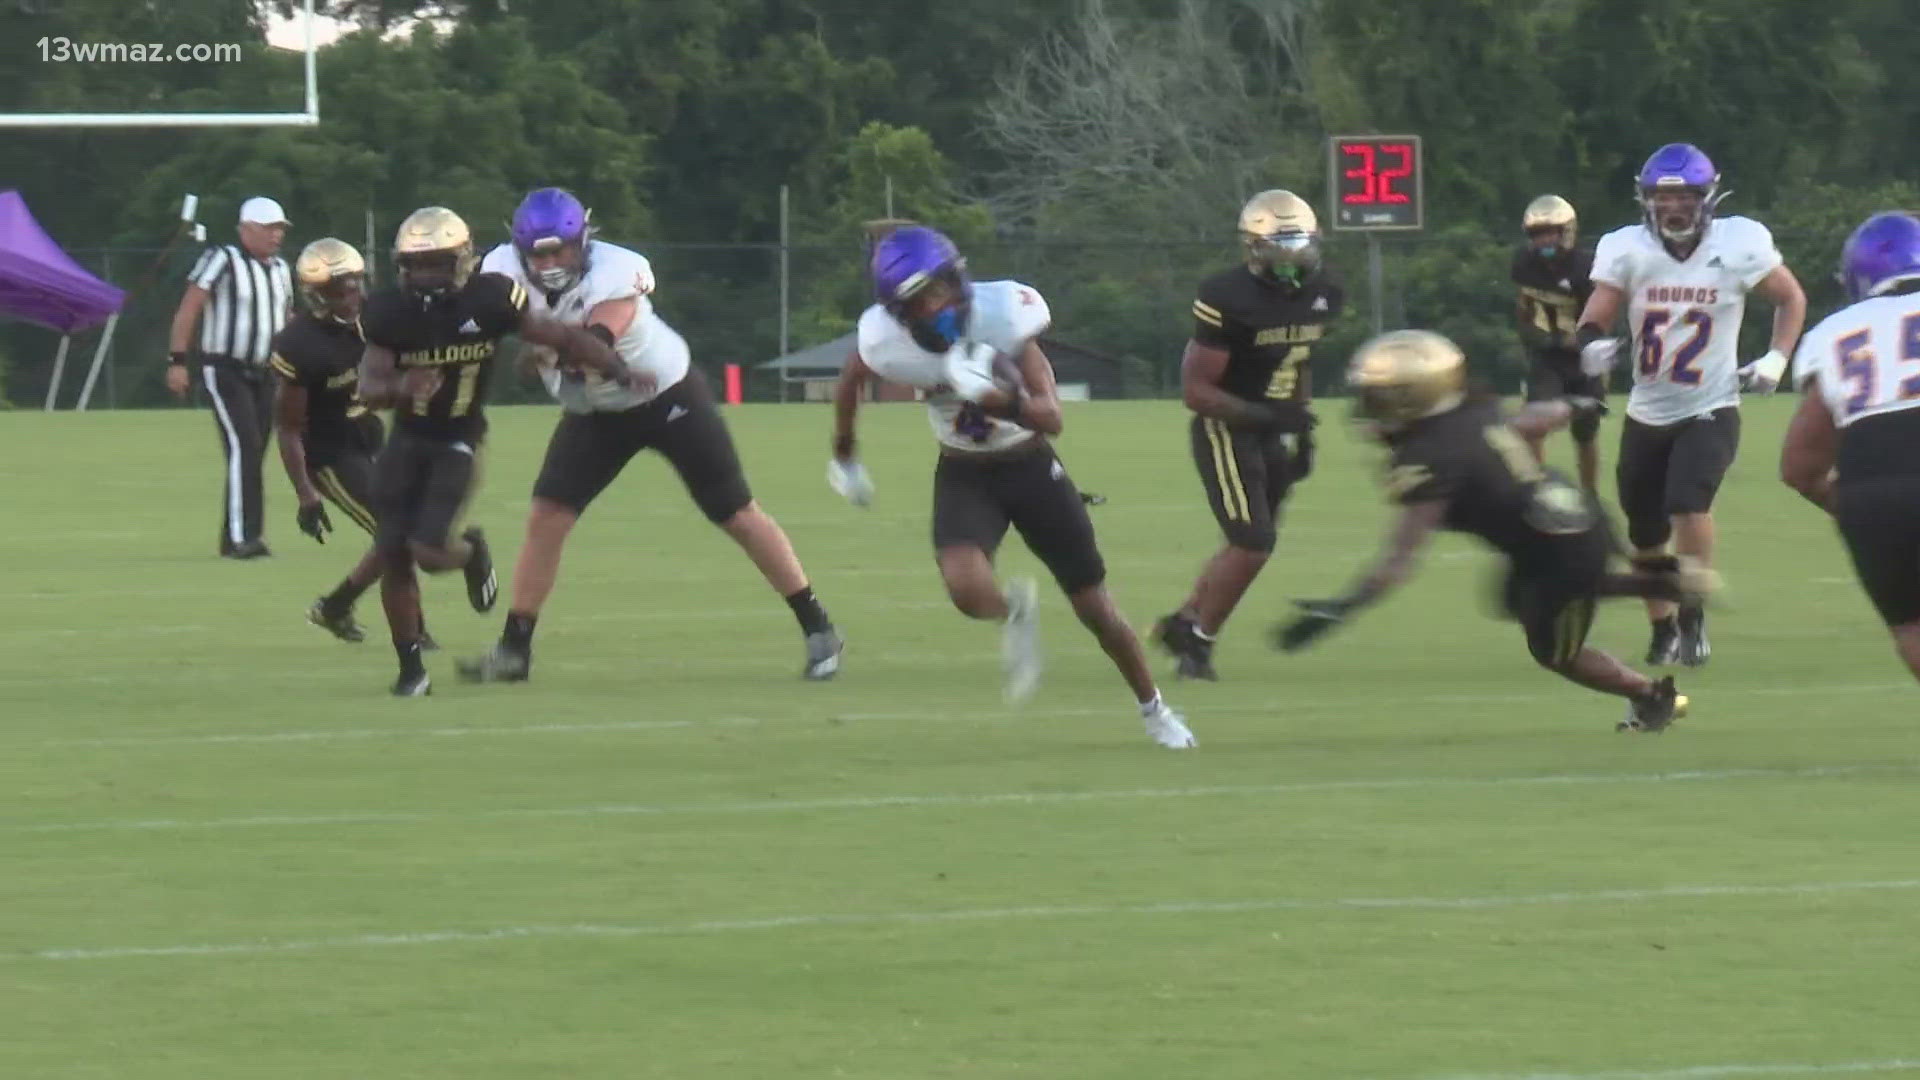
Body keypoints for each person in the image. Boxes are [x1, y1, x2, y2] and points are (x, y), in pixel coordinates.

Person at [828, 224, 1196, 749]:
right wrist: (845, 455)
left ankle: (1154, 709)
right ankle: (1014, 613)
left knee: (1095, 606)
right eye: (923, 299)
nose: (941, 304)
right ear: (899, 312)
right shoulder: (884, 341)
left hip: (1030, 465)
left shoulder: (1003, 317)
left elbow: (1051, 417)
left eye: (943, 286)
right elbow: (850, 381)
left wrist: (1002, 400)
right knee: (963, 587)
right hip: (963, 469)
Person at [457, 188, 843, 683]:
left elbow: (599, 337)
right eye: (540, 253)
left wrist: (554, 352)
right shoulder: (500, 271)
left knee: (735, 512)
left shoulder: (618, 269)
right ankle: (515, 650)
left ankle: (818, 627)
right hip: (597, 411)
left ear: (585, 240)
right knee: (547, 515)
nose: (550, 263)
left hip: (667, 397)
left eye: (560, 250)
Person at [1272, 330, 1707, 733]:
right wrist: (1575, 404)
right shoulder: (1471, 408)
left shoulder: (1428, 456)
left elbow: (1400, 558)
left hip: (1559, 548)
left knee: (1557, 654)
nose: (1368, 406)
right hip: (1569, 513)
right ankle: (1658, 584)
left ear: (1412, 397)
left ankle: (1652, 695)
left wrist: (1348, 604)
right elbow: (1529, 420)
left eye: (1378, 396)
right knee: (1514, 598)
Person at [357, 205, 625, 696]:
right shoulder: (386, 310)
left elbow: (556, 334)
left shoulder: (492, 298)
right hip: (406, 439)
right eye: (416, 265)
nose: (426, 275)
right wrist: (401, 383)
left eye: (437, 263)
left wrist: (614, 365)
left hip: (459, 438)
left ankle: (472, 552)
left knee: (430, 553)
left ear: (461, 260)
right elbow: (369, 386)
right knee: (393, 552)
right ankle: (410, 669)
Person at [1572, 142, 1806, 668]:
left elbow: (1790, 297)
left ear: (1707, 198)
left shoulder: (1739, 243)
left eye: (1683, 199)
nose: (1671, 209)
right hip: (1647, 410)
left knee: (1687, 503)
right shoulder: (1628, 248)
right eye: (1661, 198)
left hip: (1711, 404)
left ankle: (1692, 612)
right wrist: (1590, 346)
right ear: (1646, 200)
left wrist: (1776, 357)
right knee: (1645, 534)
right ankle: (1661, 629)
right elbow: (1595, 317)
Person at [1153, 189, 1344, 681]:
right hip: (1226, 428)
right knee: (1253, 541)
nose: (1294, 260)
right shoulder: (1227, 296)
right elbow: (1197, 391)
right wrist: (1266, 419)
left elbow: (1298, 362)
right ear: (1255, 248)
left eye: (1301, 247)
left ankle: (1184, 621)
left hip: (1271, 428)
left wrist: (1301, 427)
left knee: (1249, 540)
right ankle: (1198, 645)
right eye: (1282, 249)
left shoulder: (1325, 292)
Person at [270, 237, 435, 649]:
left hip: (368, 439)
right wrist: (306, 494)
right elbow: (288, 428)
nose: (350, 296)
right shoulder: (299, 344)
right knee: (397, 533)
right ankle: (407, 627)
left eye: (354, 285)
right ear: (314, 294)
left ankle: (337, 607)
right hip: (329, 456)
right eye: (337, 290)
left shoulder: (372, 321)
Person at [1781, 212, 1920, 683]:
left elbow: (1800, 468)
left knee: (1911, 626)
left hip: (1870, 490)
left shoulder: (1833, 332)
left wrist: (1858, 509)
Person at [166, 196, 295, 558]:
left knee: (253, 451)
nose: (276, 236)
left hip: (266, 372)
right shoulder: (222, 259)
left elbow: (285, 318)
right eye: (269, 229)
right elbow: (189, 307)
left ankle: (235, 536)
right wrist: (177, 360)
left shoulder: (282, 269)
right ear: (246, 229)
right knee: (245, 448)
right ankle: (244, 538)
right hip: (225, 368)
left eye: (280, 229)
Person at [1511, 194, 1602, 492]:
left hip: (1584, 357)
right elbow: (1523, 308)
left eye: (1550, 232)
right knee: (1534, 427)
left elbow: (1604, 309)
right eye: (1537, 234)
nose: (1544, 240)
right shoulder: (1524, 263)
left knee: (1585, 433)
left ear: (1567, 231)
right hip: (1547, 354)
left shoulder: (1587, 265)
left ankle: (1590, 496)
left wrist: (1586, 340)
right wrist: (1539, 337)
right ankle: (1538, 492)